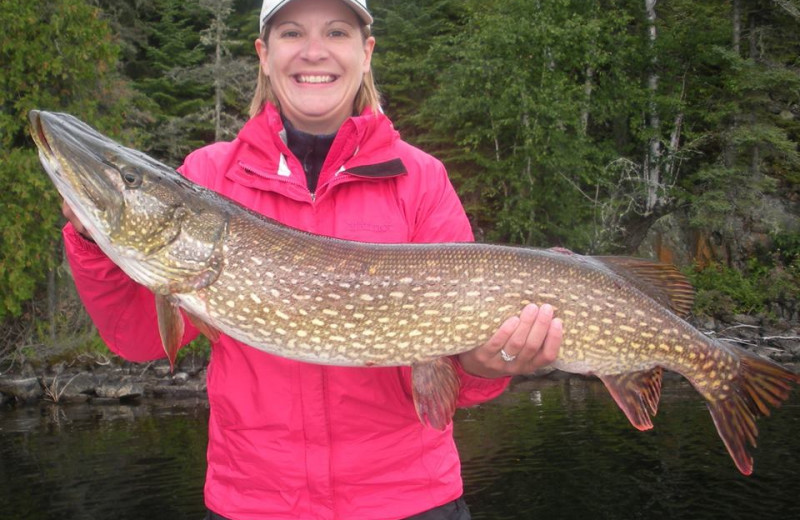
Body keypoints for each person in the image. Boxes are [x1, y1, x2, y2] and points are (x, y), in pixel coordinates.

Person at [61, 0, 563, 518]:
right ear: (264, 53)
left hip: (410, 502)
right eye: (293, 32)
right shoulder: (208, 176)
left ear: (366, 53)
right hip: (253, 504)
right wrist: (94, 241)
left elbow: (460, 382)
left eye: (338, 32)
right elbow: (138, 338)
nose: (314, 52)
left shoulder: (420, 179)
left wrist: (493, 361)